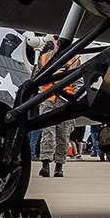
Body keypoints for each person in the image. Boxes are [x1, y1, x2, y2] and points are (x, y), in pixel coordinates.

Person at [35, 36, 80, 178]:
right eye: (55, 38)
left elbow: (78, 80)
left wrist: (75, 99)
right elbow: (36, 77)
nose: (57, 41)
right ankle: (45, 164)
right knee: (47, 132)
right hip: (48, 98)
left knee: (63, 134)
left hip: (65, 99)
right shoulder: (44, 58)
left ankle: (59, 166)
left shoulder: (75, 59)